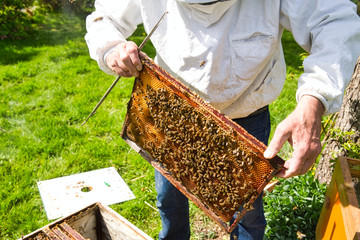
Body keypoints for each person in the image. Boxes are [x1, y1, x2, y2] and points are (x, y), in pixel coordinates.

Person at [85, 0, 360, 239]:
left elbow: (334, 21)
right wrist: (111, 48)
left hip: (246, 116)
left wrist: (314, 100)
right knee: (169, 197)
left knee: (247, 209)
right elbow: (104, 18)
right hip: (172, 113)